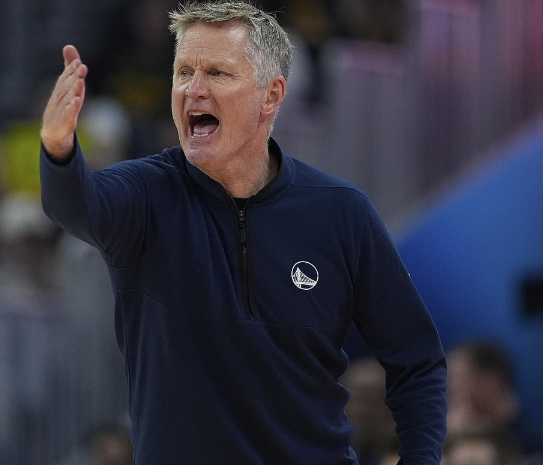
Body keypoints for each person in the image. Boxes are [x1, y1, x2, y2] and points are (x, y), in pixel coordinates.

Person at [38, 1, 447, 463]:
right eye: (184, 72)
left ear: (270, 96)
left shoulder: (340, 212)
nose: (194, 90)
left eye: (218, 73)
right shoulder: (145, 194)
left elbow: (418, 361)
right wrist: (58, 148)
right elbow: (76, 205)